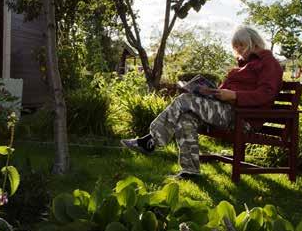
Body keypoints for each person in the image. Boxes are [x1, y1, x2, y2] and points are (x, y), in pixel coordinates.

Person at [121, 25, 283, 179]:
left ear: (252, 42)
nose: (238, 50)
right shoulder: (243, 66)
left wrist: (234, 95)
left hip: (243, 119)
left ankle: (151, 140)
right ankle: (190, 170)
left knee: (185, 101)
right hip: (225, 112)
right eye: (236, 47)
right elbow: (225, 92)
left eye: (241, 45)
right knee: (186, 119)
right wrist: (210, 92)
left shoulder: (268, 62)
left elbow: (266, 94)